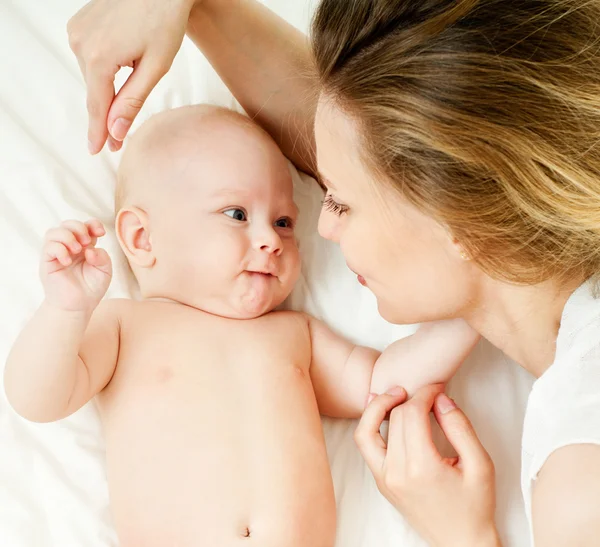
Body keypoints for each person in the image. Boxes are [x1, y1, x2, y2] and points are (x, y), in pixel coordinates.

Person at [66, 0, 600, 545]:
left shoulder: (582, 489)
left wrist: (465, 535)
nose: (318, 228)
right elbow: (364, 131)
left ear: (457, 221)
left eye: (339, 201)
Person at [4, 104, 477, 547]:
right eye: (236, 214)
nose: (270, 239)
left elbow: (384, 387)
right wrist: (66, 310)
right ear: (142, 238)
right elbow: (38, 399)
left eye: (285, 221)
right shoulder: (127, 326)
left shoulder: (295, 336)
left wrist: (475, 309)